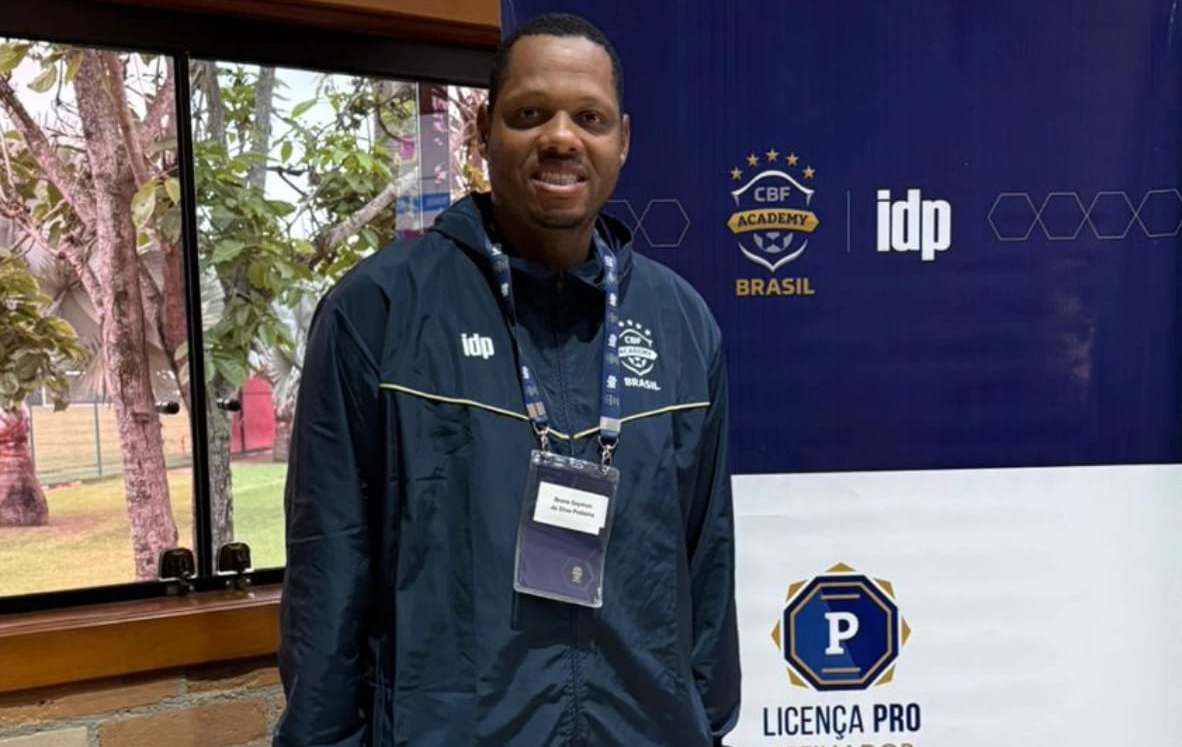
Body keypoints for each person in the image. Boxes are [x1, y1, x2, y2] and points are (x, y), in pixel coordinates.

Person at [274, 12, 739, 747]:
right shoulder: (379, 313)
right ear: (483, 131)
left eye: (589, 117)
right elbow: (327, 572)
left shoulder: (682, 324)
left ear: (622, 139)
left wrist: (703, 727)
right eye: (530, 115)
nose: (561, 137)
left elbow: (706, 565)